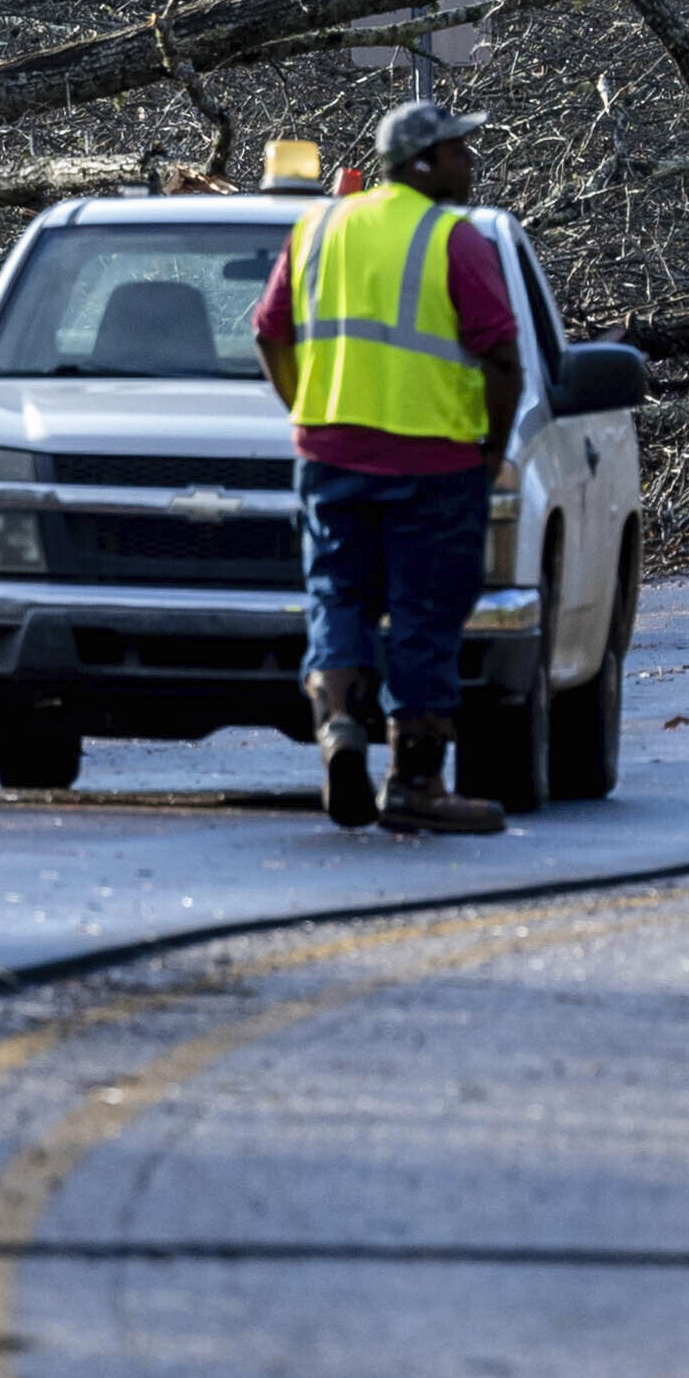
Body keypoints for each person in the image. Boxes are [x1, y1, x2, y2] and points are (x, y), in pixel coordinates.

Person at [250, 97, 525, 835]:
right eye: (458, 152)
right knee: (425, 616)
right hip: (435, 464)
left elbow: (269, 332)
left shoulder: (318, 227)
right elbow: (503, 355)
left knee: (337, 593)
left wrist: (305, 405)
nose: (470, 164)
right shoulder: (453, 238)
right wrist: (491, 449)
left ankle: (339, 724)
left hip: (332, 455)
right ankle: (415, 781)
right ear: (421, 163)